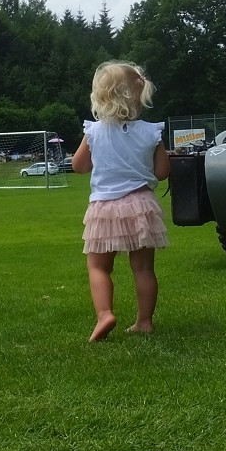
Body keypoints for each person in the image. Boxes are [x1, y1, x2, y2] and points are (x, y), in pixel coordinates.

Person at [71, 61, 171, 343]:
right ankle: (144, 321)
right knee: (143, 268)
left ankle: (105, 314)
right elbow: (162, 173)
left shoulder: (94, 132)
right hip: (141, 205)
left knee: (99, 267)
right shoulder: (151, 132)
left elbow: (79, 166)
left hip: (105, 207)